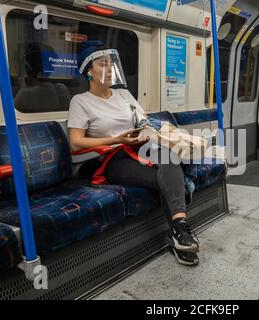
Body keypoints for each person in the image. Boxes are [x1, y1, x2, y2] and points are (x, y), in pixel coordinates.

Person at [67, 41, 199, 266]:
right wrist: (116, 139)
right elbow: (75, 143)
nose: (109, 69)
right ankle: (180, 235)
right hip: (113, 157)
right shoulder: (81, 101)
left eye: (111, 65)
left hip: (141, 148)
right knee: (169, 179)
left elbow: (143, 120)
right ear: (89, 71)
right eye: (102, 65)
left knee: (170, 158)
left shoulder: (124, 95)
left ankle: (179, 229)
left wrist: (146, 132)